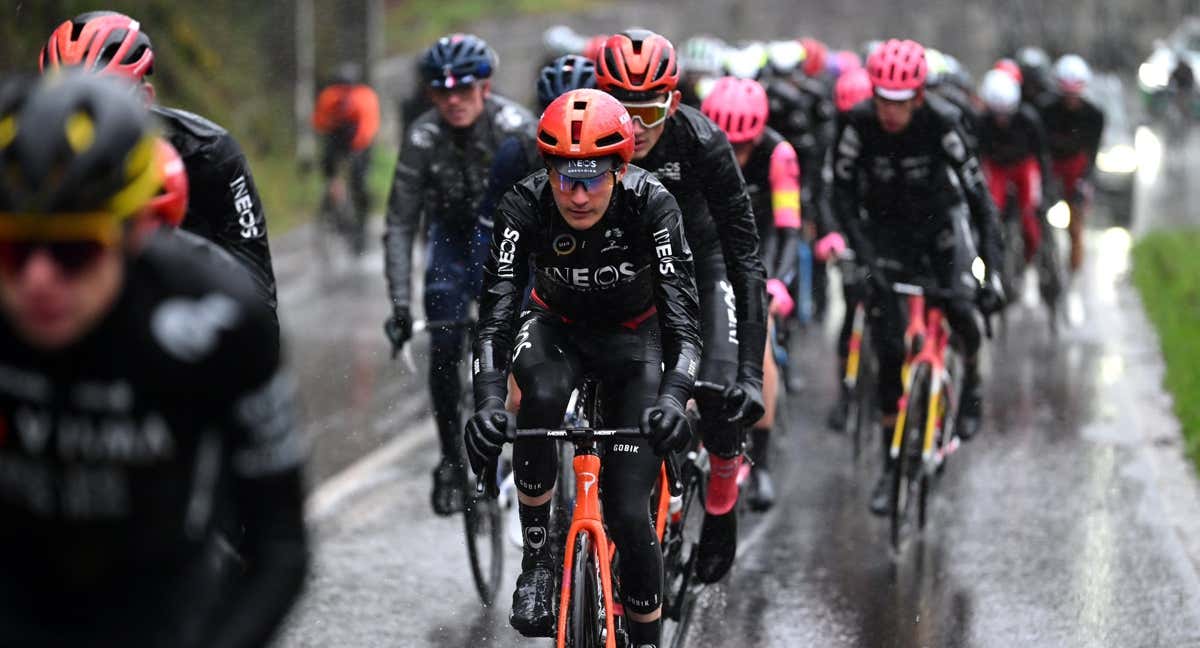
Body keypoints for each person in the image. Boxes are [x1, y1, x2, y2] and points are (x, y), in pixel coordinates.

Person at [0, 72, 307, 648]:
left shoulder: (217, 317)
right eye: (14, 250)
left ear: (133, 236)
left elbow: (279, 547)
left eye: (72, 251)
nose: (38, 280)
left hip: (160, 613)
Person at [464, 88, 701, 644]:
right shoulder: (524, 204)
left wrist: (672, 397)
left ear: (620, 169)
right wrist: (490, 403)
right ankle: (539, 564)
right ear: (545, 170)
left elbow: (684, 326)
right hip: (557, 328)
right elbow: (496, 316)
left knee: (626, 514)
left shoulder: (654, 204)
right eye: (563, 176)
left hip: (635, 339)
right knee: (540, 397)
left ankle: (646, 639)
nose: (576, 194)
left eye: (592, 178)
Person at [595, 29, 767, 584]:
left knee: (717, 391)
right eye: (626, 109)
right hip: (630, 271)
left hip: (703, 262)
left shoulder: (703, 142)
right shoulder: (585, 136)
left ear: (675, 101)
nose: (638, 127)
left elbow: (744, 255)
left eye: (652, 109)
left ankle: (720, 499)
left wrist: (751, 373)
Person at [832, 39, 1004, 515]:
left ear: (920, 97)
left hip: (939, 232)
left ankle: (970, 385)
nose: (890, 112)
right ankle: (891, 469)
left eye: (900, 102)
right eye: (882, 99)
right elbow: (840, 195)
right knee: (888, 352)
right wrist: (860, 255)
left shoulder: (944, 123)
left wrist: (993, 274)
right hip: (883, 235)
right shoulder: (858, 123)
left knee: (963, 311)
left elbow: (981, 203)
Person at [382, 33, 538, 516]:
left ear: (485, 88)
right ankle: (451, 460)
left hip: (508, 240)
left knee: (523, 341)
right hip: (449, 243)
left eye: (464, 90)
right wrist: (401, 305)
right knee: (445, 342)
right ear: (431, 94)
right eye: (442, 91)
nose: (454, 101)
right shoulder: (423, 138)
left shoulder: (518, 129)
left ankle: (525, 446)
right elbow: (400, 222)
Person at [40, 11, 279, 318]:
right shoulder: (31, 162)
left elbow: (256, 299)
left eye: (106, 103)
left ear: (145, 100)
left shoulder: (210, 155)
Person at [701, 76, 802, 511]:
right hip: (708, 254)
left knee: (758, 355)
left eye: (745, 147)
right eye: (731, 146)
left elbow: (788, 228)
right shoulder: (697, 147)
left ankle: (760, 465)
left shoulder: (779, 155)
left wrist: (778, 282)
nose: (737, 158)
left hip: (758, 258)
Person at [824, 67, 872, 431]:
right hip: (850, 229)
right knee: (853, 306)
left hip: (881, 226)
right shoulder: (832, 139)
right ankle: (845, 393)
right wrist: (832, 234)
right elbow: (826, 194)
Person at [977, 69, 1053, 264]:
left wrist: (1045, 187)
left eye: (1006, 113)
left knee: (1030, 212)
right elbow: (978, 155)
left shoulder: (1028, 119)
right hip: (998, 168)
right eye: (997, 114)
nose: (1002, 120)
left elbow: (1041, 155)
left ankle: (1031, 253)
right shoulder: (982, 123)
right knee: (992, 209)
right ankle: (994, 251)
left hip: (1023, 166)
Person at [1037, 54, 1103, 277]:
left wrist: (1086, 181)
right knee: (1037, 212)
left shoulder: (1094, 115)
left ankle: (1074, 268)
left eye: (1075, 95)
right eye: (1067, 95)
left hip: (1076, 168)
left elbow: (1092, 152)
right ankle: (1040, 259)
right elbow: (1040, 148)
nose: (1071, 100)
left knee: (1076, 223)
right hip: (1051, 165)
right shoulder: (1045, 111)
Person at [311, 62, 381, 255]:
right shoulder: (329, 97)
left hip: (359, 139)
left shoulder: (365, 97)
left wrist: (357, 152)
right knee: (330, 172)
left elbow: (368, 128)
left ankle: (361, 222)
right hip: (337, 137)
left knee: (359, 180)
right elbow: (320, 123)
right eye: (340, 88)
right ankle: (334, 200)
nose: (344, 93)